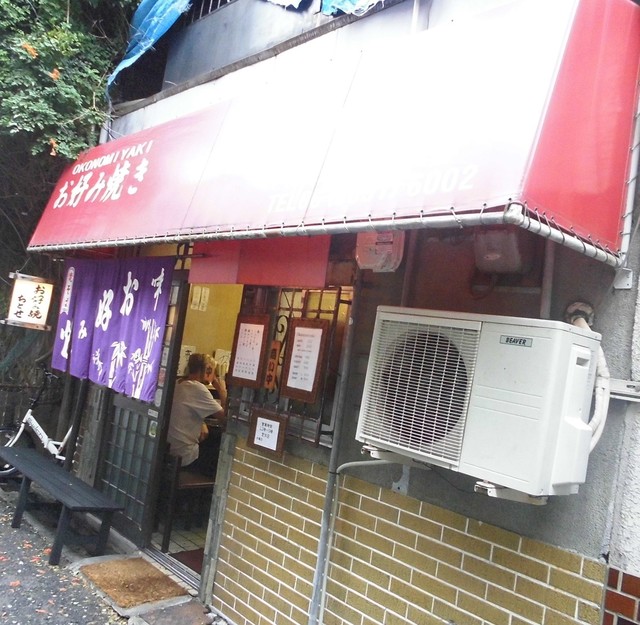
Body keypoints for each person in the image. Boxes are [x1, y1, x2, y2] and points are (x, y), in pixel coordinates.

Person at [166, 352, 227, 476]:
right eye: (213, 371)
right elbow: (226, 420)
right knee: (221, 453)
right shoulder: (198, 388)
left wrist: (202, 422)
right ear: (207, 370)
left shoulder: (178, 383)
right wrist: (222, 391)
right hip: (185, 456)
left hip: (168, 452)